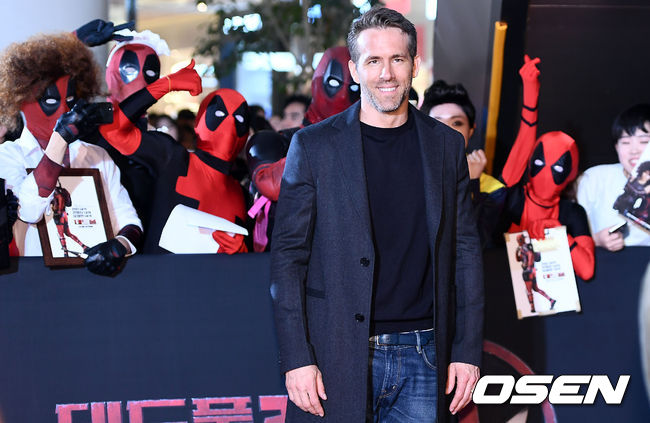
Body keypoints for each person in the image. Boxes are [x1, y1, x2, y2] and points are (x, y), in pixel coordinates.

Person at [270, 7, 483, 422]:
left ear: (414, 64)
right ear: (354, 69)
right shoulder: (313, 147)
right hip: (337, 351)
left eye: (397, 59)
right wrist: (297, 356)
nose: (386, 73)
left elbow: (466, 251)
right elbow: (287, 258)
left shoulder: (445, 146)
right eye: (373, 61)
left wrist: (467, 350)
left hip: (426, 352)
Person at [0, 33, 142, 275]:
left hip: (94, 281)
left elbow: (129, 221)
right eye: (52, 99)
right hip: (32, 283)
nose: (64, 109)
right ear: (21, 100)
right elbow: (28, 211)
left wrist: (120, 246)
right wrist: (61, 139)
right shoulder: (7, 156)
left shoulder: (97, 156)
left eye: (71, 99)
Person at [500, 55, 595, 281]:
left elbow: (587, 269)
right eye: (540, 164)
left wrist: (560, 236)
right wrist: (530, 98)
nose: (546, 174)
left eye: (558, 168)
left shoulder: (571, 212)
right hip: (505, 293)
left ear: (570, 173)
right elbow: (522, 148)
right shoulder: (513, 198)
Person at [421, 80, 506, 248]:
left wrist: (472, 183)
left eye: (456, 123)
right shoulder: (409, 175)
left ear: (471, 130)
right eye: (437, 123)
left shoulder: (493, 189)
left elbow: (476, 243)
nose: (447, 131)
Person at [577, 104, 650, 250]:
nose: (634, 150)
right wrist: (596, 240)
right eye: (625, 142)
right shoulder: (593, 178)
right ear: (616, 147)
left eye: (644, 141)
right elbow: (568, 234)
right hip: (604, 264)